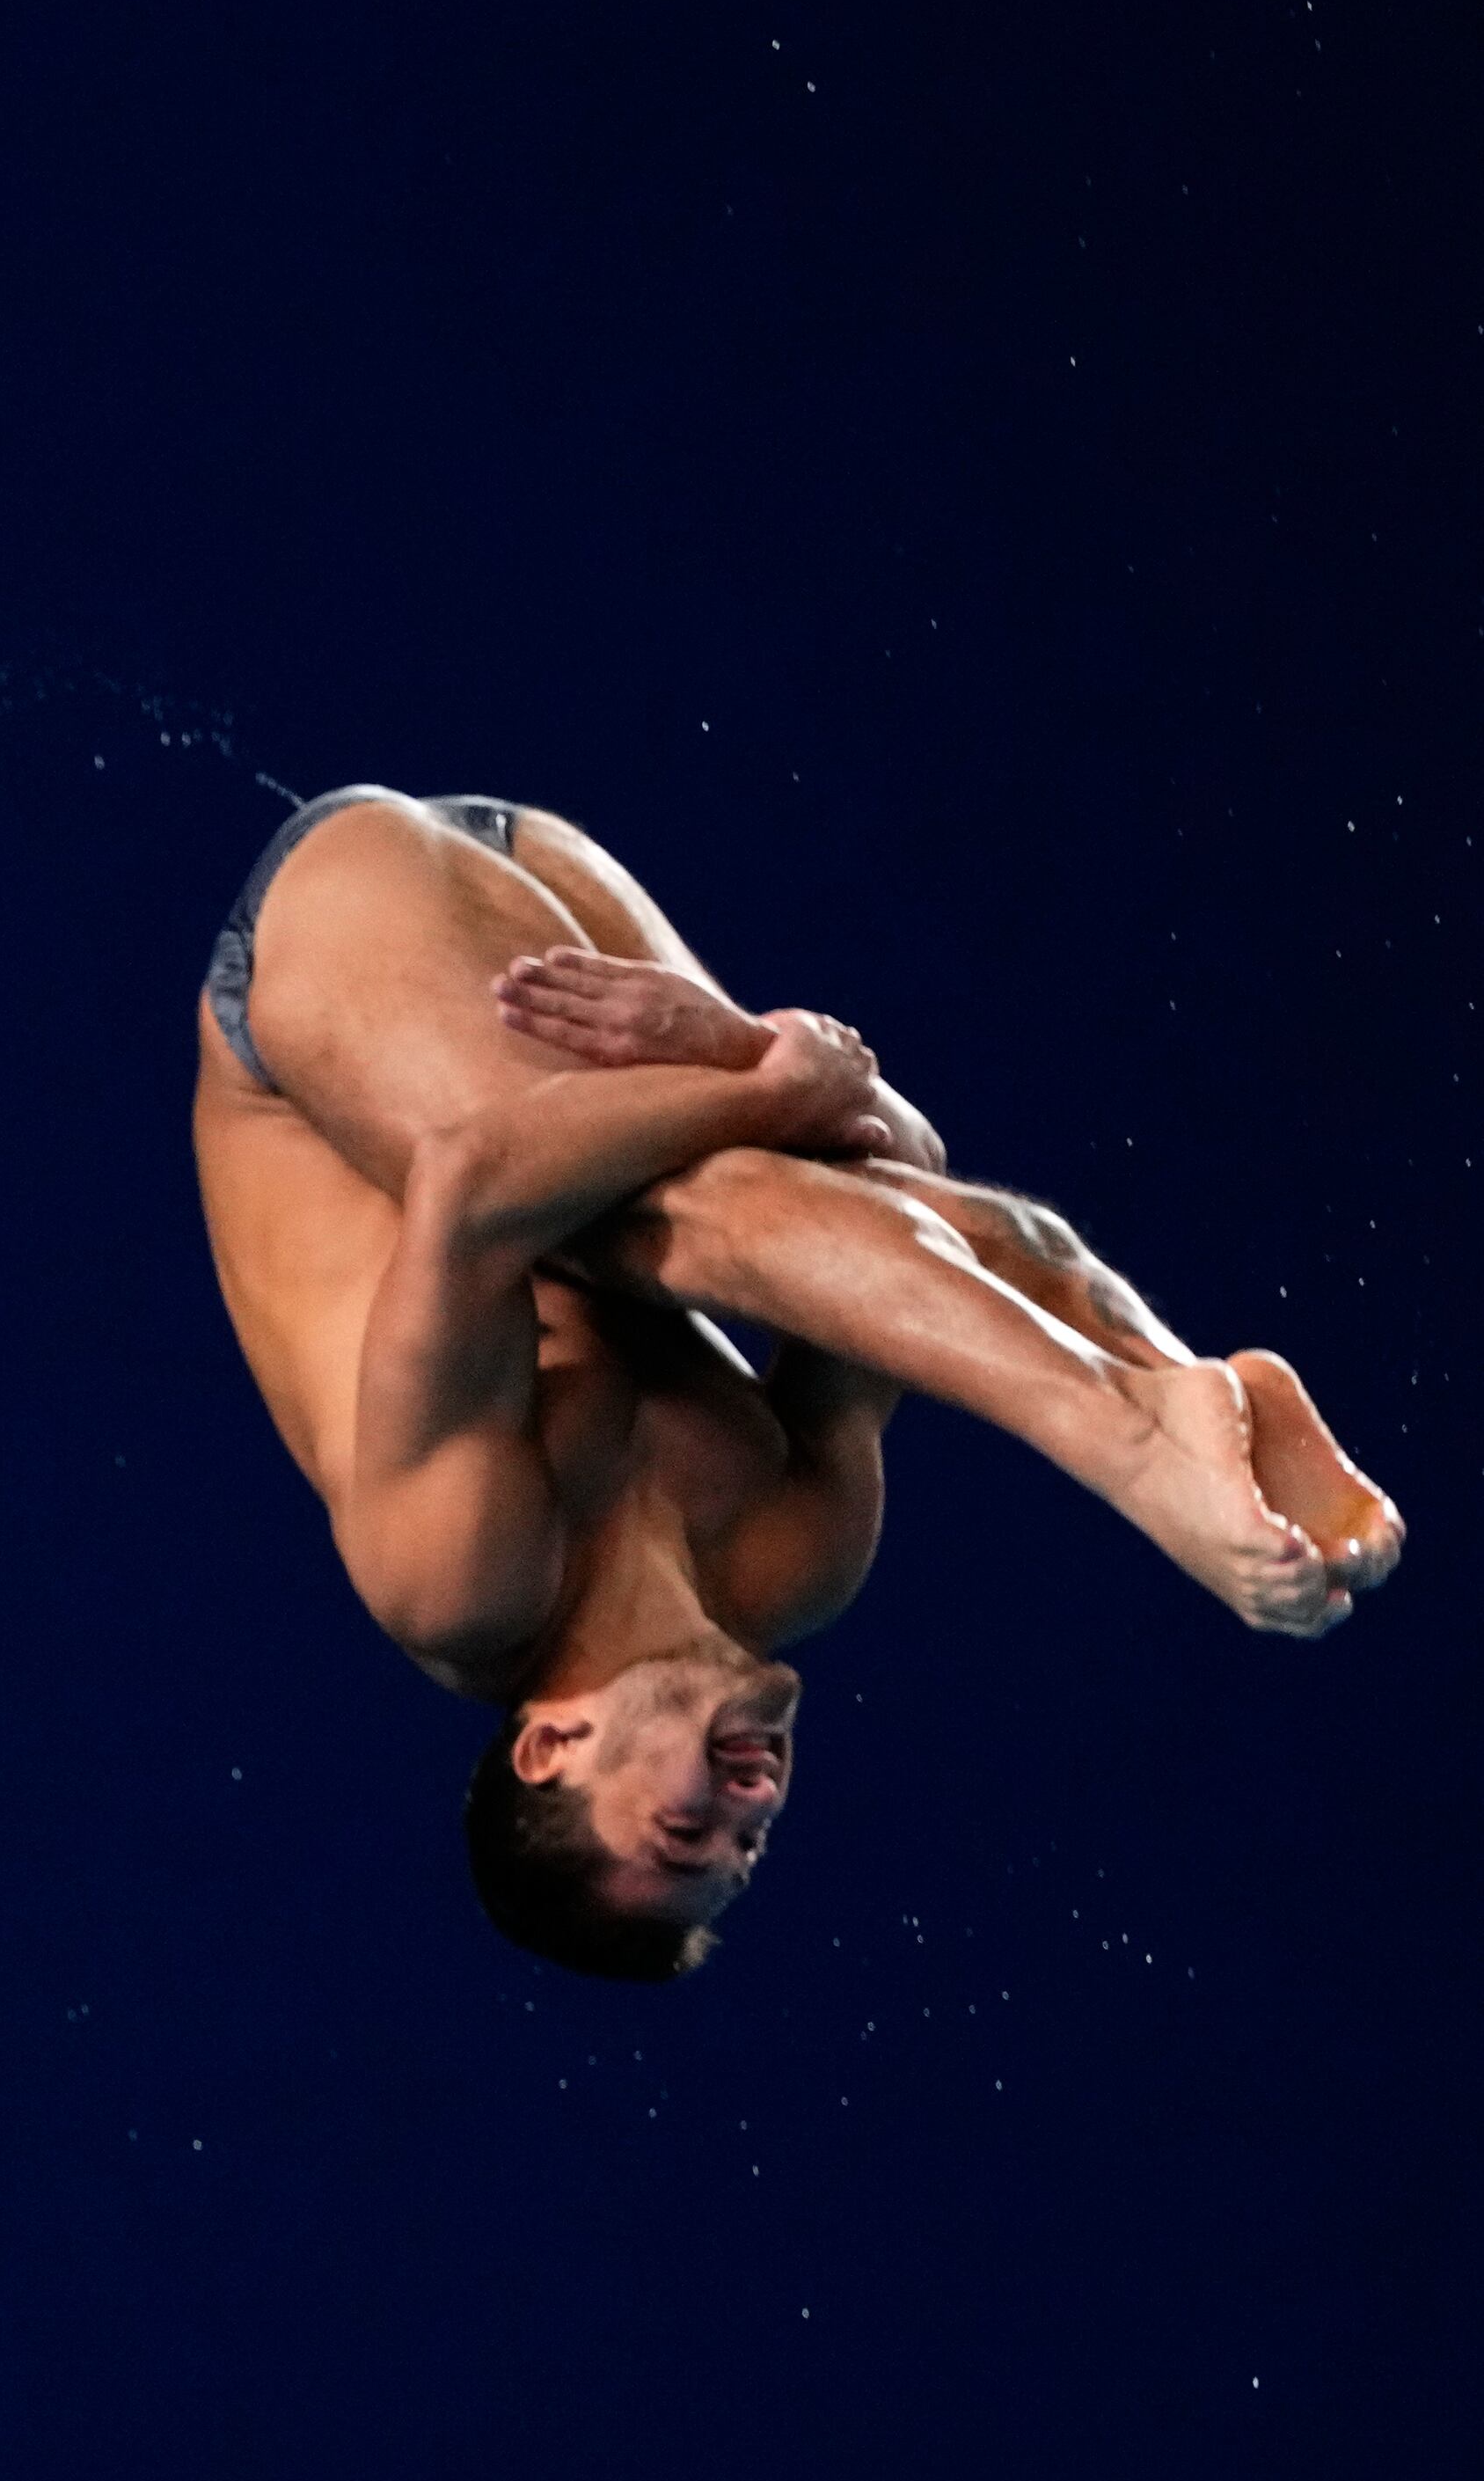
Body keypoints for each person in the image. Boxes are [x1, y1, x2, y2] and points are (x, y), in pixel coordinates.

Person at [192, 787, 1399, 1980]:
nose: (748, 1806)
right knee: (789, 1207)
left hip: (324, 947)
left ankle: (1141, 1441)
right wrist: (744, 1062)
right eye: (748, 1842)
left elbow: (468, 1193)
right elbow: (911, 1191)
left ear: (553, 1743)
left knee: (652, 1220)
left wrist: (763, 1090)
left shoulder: (461, 1582)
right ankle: (1181, 1379)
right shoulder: (795, 1547)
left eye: (684, 1830)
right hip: (544, 875)